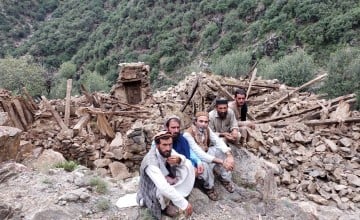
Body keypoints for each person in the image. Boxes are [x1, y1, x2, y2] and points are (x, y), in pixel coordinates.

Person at [137, 131, 194, 219]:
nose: (168, 148)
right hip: (151, 189)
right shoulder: (150, 162)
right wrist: (184, 204)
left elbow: (183, 158)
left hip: (165, 180)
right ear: (157, 145)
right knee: (162, 191)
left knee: (188, 165)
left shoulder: (167, 151)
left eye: (170, 144)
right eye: (164, 145)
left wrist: (179, 160)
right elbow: (163, 187)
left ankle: (176, 196)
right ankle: (164, 207)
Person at [183, 111, 235, 201]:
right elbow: (199, 154)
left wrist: (229, 155)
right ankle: (209, 187)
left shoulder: (207, 129)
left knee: (221, 151)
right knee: (204, 165)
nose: (203, 124)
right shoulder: (188, 134)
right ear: (195, 122)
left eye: (206, 122)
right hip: (196, 160)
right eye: (201, 121)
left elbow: (217, 141)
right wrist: (222, 162)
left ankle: (225, 179)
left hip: (206, 152)